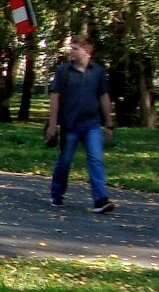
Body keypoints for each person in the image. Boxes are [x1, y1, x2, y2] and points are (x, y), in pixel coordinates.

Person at [45, 36, 117, 213]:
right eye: (71, 48)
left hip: (92, 123)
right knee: (65, 160)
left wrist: (109, 123)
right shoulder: (64, 71)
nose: (72, 51)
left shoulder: (97, 72)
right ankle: (57, 193)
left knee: (96, 159)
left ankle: (100, 199)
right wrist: (53, 125)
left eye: (75, 48)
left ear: (87, 51)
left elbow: (104, 96)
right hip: (70, 124)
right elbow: (55, 97)